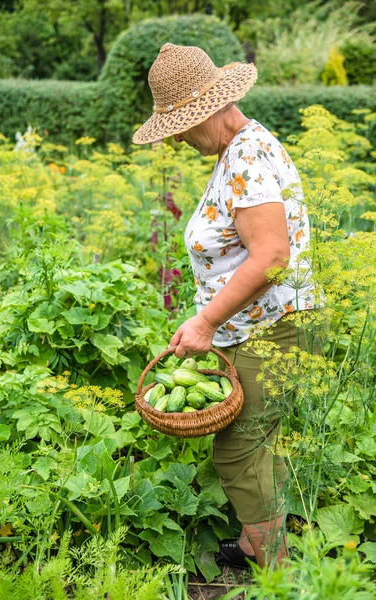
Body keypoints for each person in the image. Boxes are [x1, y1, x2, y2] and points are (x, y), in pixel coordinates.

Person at [133, 43, 318, 570]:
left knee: (239, 450)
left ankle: (276, 568)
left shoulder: (245, 155)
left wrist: (207, 319)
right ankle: (256, 541)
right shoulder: (241, 146)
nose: (180, 137)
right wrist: (208, 319)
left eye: (182, 125)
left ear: (209, 110)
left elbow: (272, 255)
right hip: (260, 324)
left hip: (272, 326)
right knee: (259, 443)